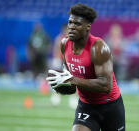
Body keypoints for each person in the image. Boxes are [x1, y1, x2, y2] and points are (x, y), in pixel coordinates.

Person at [46, 3, 125, 131]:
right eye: (70, 22)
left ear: (88, 26)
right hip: (86, 105)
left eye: (77, 24)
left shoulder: (98, 48)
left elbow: (105, 85)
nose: (71, 27)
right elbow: (71, 81)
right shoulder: (64, 44)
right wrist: (62, 85)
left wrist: (72, 80)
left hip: (110, 105)